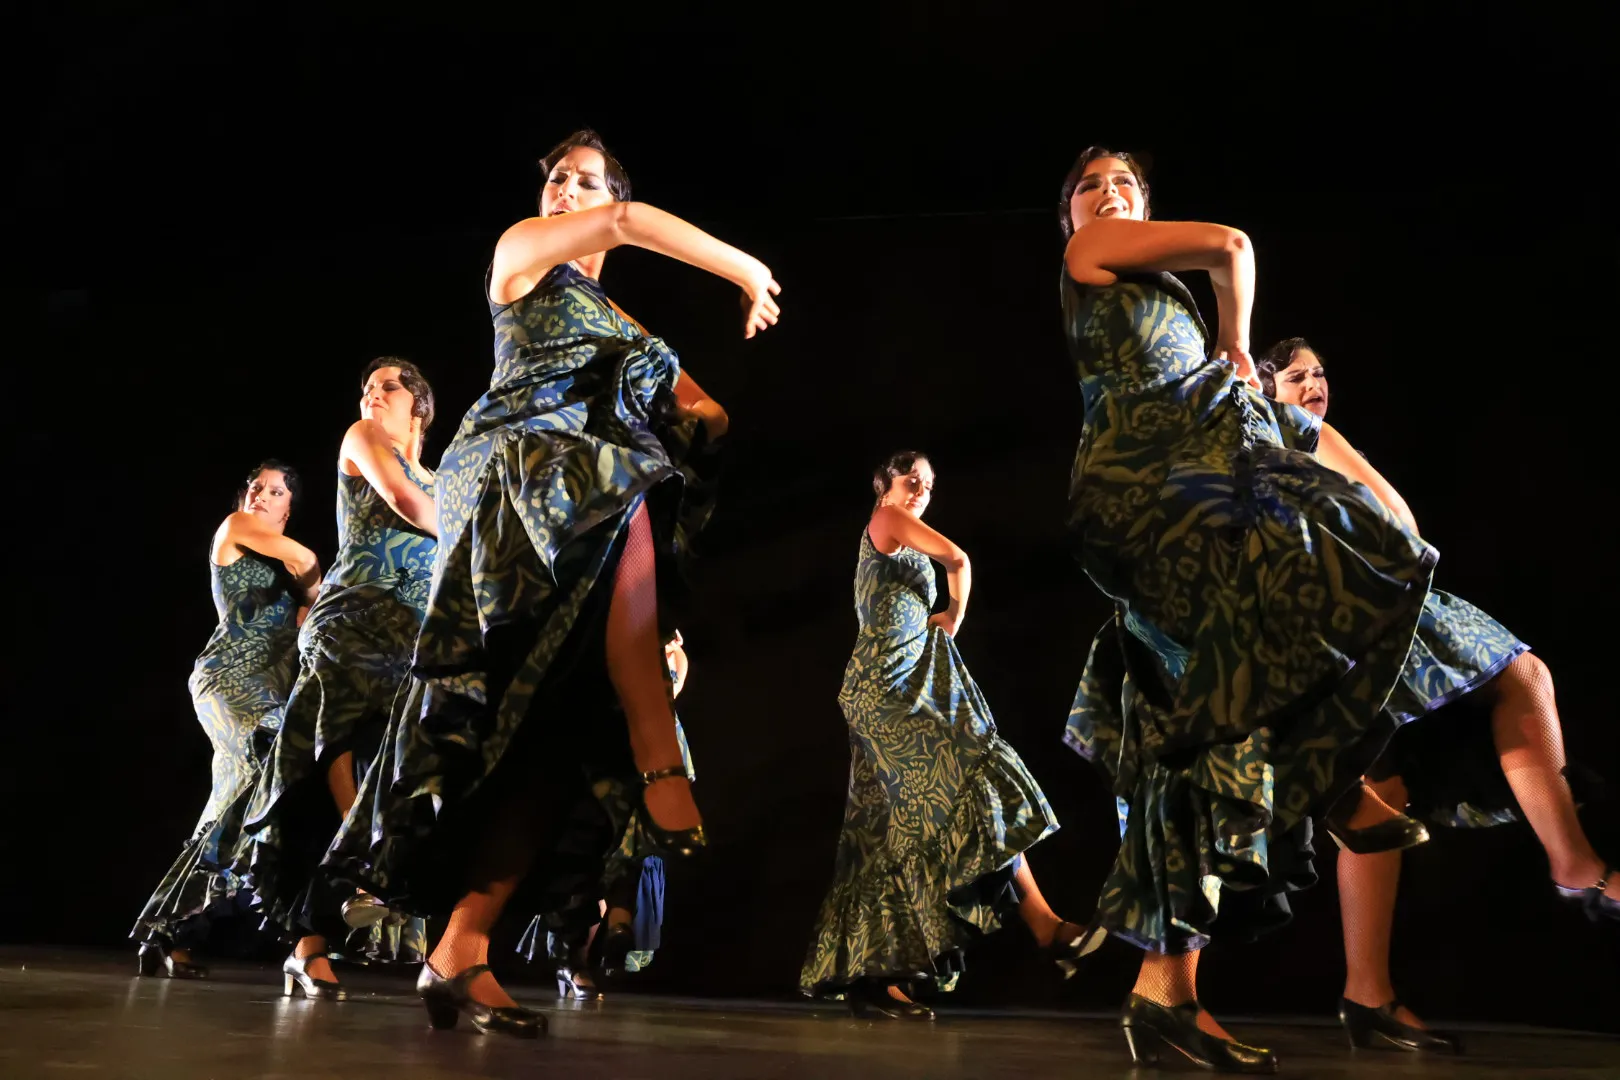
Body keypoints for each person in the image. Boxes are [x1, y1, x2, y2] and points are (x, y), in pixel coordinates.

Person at [323, 129, 779, 1039]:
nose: (565, 192)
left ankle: (461, 950)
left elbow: (692, 402)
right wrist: (745, 268)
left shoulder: (624, 327)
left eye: (584, 181)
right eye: (558, 180)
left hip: (576, 504)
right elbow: (627, 218)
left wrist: (701, 416)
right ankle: (659, 743)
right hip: (513, 478)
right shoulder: (520, 254)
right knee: (624, 480)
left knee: (547, 741)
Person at [1058, 146, 1444, 1073]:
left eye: (1129, 186)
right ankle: (1338, 785)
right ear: (1071, 218)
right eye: (1091, 188)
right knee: (1317, 592)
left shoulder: (1146, 288)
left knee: (1216, 710)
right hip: (1151, 491)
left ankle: (1166, 992)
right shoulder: (1095, 254)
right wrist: (1236, 339)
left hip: (1200, 489)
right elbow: (1230, 244)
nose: (1112, 197)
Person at [1256, 336, 1617, 1051]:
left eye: (1321, 371)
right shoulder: (1299, 435)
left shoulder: (1258, 446)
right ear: (1265, 389)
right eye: (1296, 375)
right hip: (1353, 617)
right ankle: (1576, 867)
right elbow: (1400, 523)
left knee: (1380, 789)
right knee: (1520, 678)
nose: (1315, 382)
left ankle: (1368, 996)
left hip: (1326, 622)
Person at [800, 451, 1101, 1021]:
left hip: (902, 686)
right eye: (911, 480)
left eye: (929, 485)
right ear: (884, 484)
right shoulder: (887, 518)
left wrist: (941, 620)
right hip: (885, 689)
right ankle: (1045, 925)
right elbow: (957, 558)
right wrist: (954, 615)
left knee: (887, 833)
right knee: (967, 780)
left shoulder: (898, 530)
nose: (920, 490)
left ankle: (880, 977)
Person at [236, 359, 440, 1001]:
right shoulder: (364, 437)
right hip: (352, 626)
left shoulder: (440, 477)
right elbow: (409, 505)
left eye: (388, 388)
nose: (372, 396)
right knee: (317, 772)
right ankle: (306, 943)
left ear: (421, 407)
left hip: (408, 648)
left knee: (389, 790)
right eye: (367, 388)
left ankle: (344, 923)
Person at [132, 461, 318, 977]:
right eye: (255, 487)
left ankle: (169, 930)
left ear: (288, 508)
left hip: (268, 690)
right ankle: (297, 938)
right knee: (265, 774)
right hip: (228, 681)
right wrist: (311, 587)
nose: (260, 495)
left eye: (275, 491)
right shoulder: (234, 529)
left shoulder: (283, 576)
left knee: (233, 803)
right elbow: (307, 560)